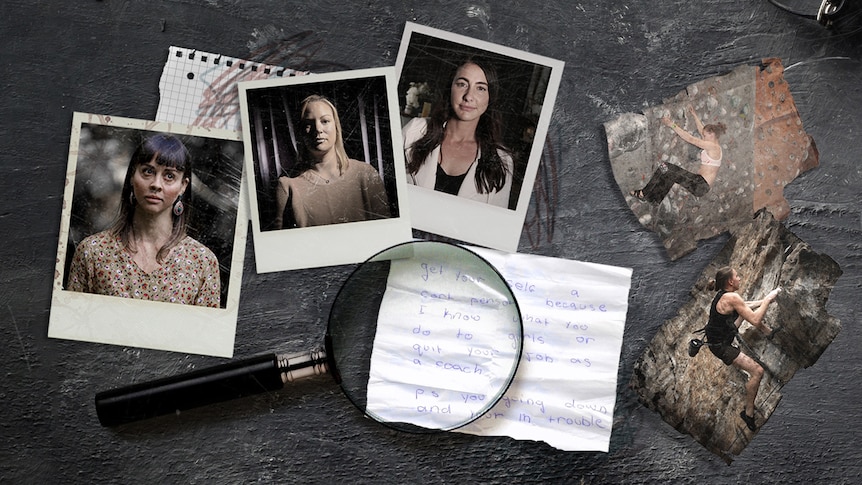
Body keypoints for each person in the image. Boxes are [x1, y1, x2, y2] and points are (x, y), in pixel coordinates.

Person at [67, 133, 221, 307]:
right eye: (148, 171)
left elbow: (205, 332)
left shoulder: (202, 261)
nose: (156, 184)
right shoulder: (92, 252)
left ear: (183, 186)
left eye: (169, 176)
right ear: (132, 176)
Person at [402, 59, 514, 208]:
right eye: (462, 84)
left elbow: (492, 226)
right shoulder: (414, 131)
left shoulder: (502, 159)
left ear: (490, 97)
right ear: (450, 88)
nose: (469, 96)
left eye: (480, 88)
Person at [274, 95, 390, 228]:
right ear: (301, 132)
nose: (318, 129)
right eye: (308, 124)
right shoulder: (287, 185)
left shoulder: (365, 173)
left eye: (325, 121)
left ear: (336, 126)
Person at [704, 266, 780, 431]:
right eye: (737, 276)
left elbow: (745, 306)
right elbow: (754, 319)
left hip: (723, 335)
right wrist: (767, 300)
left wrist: (765, 300)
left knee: (744, 311)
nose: (740, 278)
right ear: (730, 281)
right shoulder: (731, 297)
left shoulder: (726, 296)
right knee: (758, 371)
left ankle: (769, 333)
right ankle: (748, 413)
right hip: (721, 346)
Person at [631, 105, 727, 204]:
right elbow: (702, 130)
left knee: (665, 167)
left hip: (699, 185)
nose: (703, 137)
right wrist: (694, 115)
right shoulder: (714, 144)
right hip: (699, 183)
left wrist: (671, 124)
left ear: (712, 135)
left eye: (706, 136)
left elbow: (691, 139)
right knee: (670, 173)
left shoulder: (713, 147)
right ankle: (654, 199)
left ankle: (644, 193)